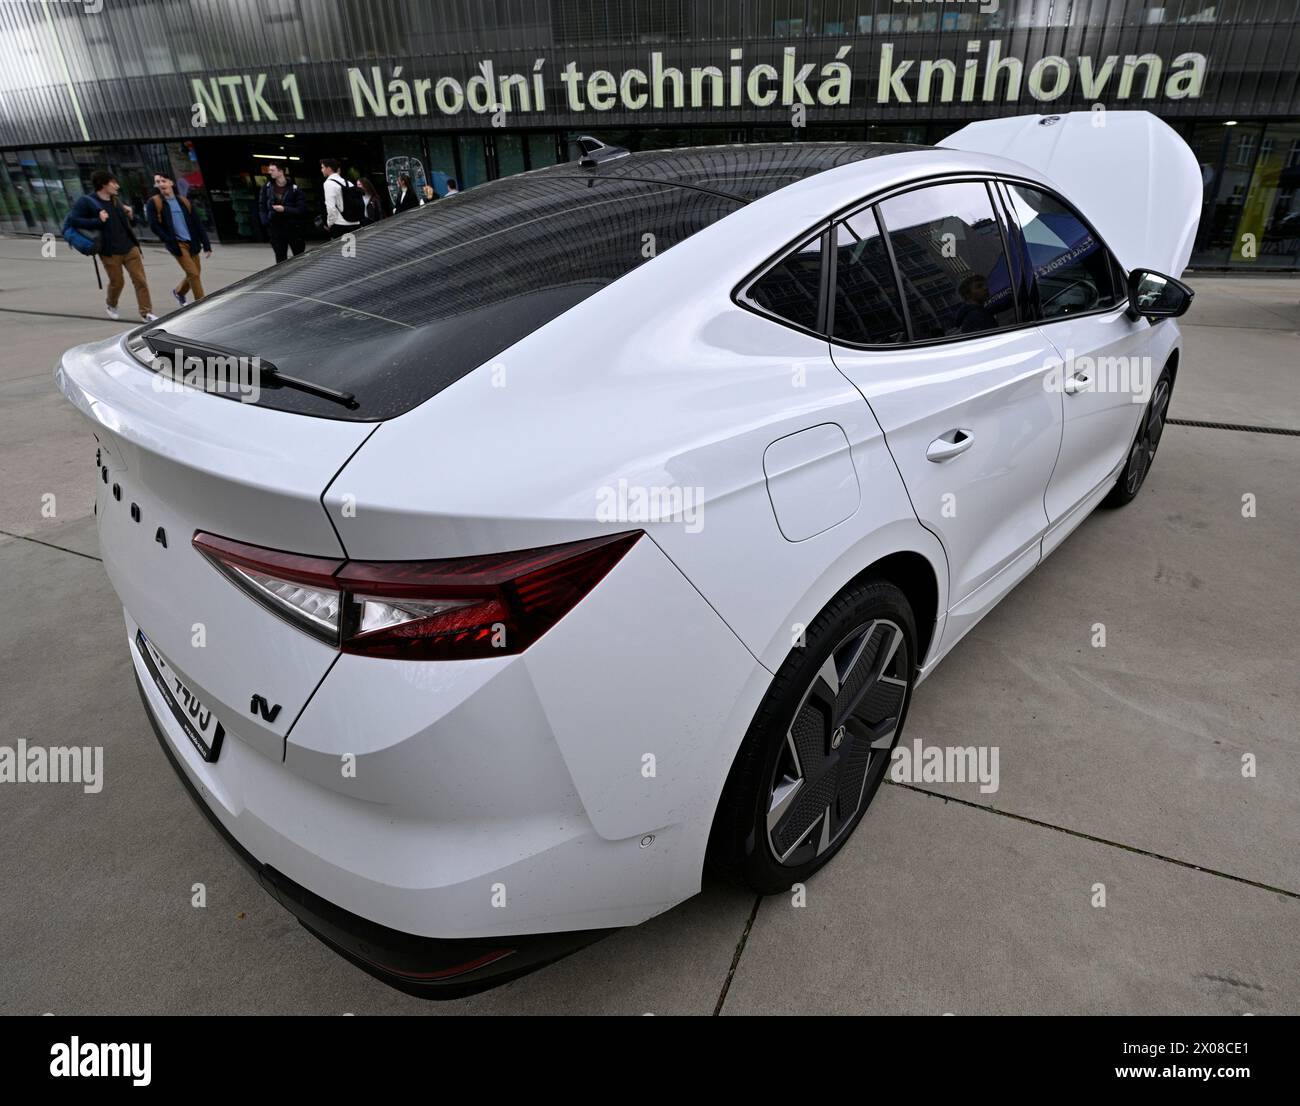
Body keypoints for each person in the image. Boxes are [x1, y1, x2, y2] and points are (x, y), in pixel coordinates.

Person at [65, 170, 157, 322]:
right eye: (113, 183)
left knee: (140, 280)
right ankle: (111, 304)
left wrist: (131, 215)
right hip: (110, 251)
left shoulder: (116, 200)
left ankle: (146, 312)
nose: (117, 186)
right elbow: (74, 221)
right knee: (117, 282)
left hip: (129, 247)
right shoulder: (86, 201)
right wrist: (98, 220)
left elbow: (129, 224)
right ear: (103, 185)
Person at [147, 172, 212, 306]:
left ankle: (179, 292)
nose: (160, 184)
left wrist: (206, 244)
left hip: (192, 242)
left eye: (163, 181)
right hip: (177, 244)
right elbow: (154, 225)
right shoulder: (154, 202)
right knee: (193, 274)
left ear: (171, 183)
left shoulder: (183, 201)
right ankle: (201, 304)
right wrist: (168, 240)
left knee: (195, 273)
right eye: (157, 182)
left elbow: (197, 223)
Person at [258, 162, 306, 262]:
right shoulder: (266, 188)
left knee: (300, 256)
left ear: (280, 171)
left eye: (272, 170)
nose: (269, 172)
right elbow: (262, 206)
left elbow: (301, 210)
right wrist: (266, 222)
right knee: (280, 257)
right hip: (275, 227)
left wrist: (285, 209)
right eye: (269, 170)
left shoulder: (294, 188)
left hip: (293, 227)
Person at [320, 157, 360, 239]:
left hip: (340, 225)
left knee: (341, 251)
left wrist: (330, 223)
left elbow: (331, 207)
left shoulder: (328, 183)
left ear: (329, 168)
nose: (322, 170)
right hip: (355, 223)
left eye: (323, 167)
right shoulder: (348, 183)